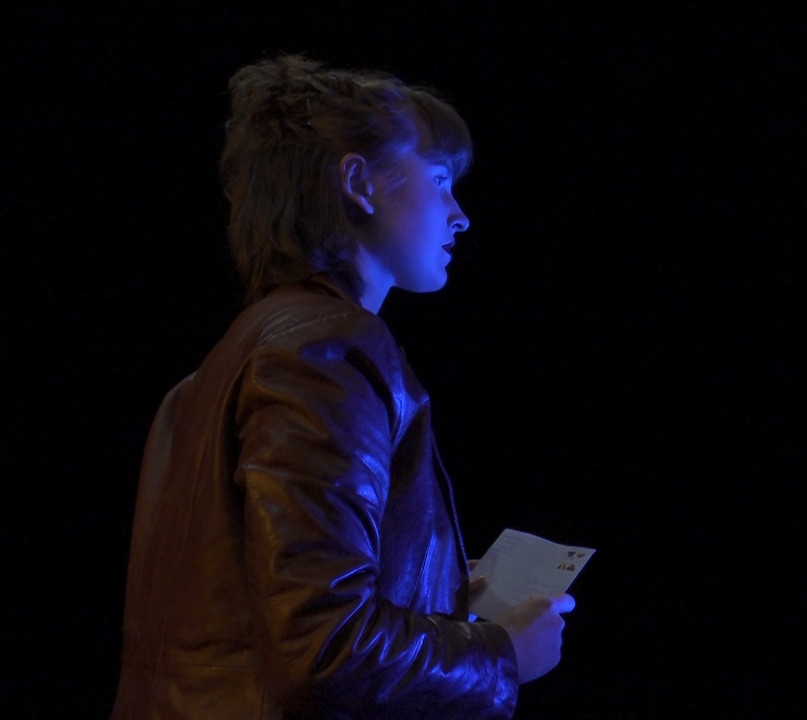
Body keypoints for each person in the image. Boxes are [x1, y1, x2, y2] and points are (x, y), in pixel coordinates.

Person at [111, 54, 574, 719]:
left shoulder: (221, 368)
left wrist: (433, 585)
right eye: (439, 180)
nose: (460, 215)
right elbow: (326, 649)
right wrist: (500, 655)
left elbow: (259, 609)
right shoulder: (323, 351)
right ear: (358, 182)